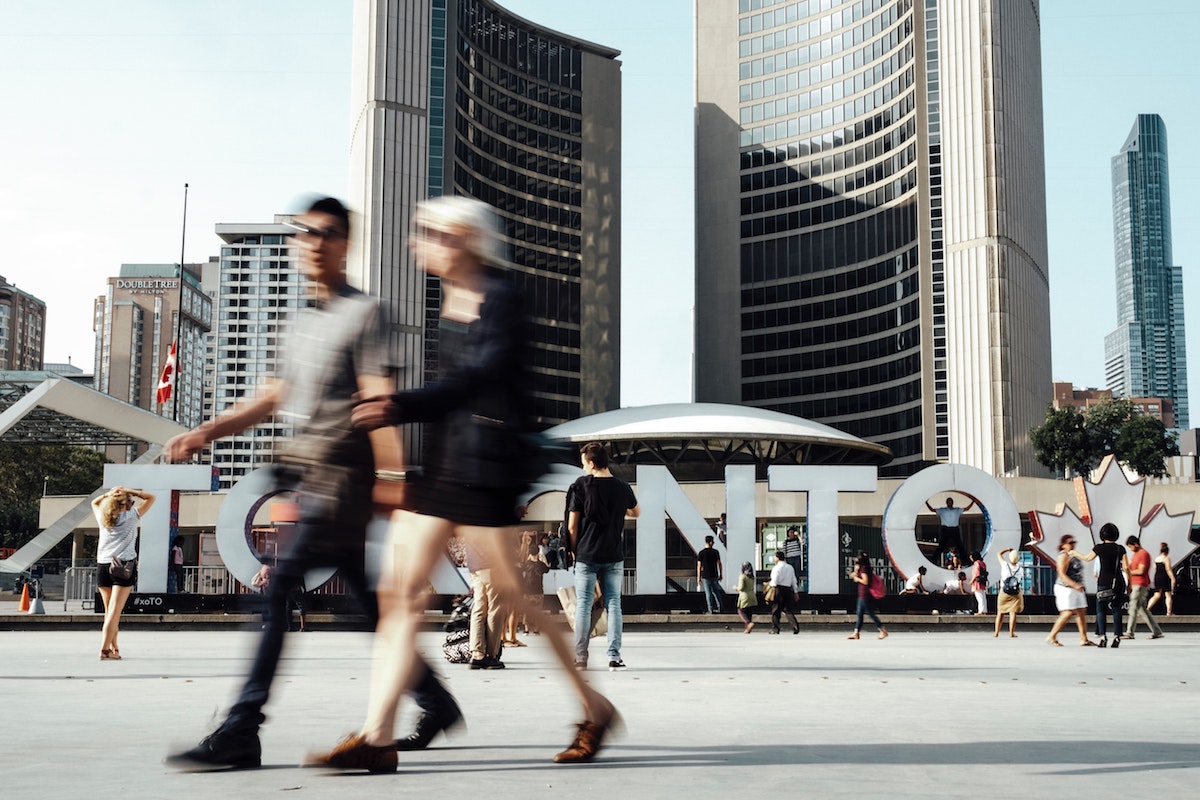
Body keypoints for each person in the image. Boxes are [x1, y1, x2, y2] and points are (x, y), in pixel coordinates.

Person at [306, 196, 618, 772]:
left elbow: (479, 380)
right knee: (401, 595)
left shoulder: (502, 297)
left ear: (464, 240)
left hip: (486, 475)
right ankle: (377, 738)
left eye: (430, 232)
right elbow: (457, 392)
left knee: (519, 599)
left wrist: (396, 404)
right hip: (446, 468)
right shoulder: (451, 300)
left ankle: (594, 708)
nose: (417, 241)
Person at [165, 196, 459, 771]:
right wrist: (208, 430)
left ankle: (242, 728)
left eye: (326, 233)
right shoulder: (298, 321)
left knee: (277, 591)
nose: (313, 242)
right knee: (364, 609)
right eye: (305, 233)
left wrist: (394, 478)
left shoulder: (364, 313)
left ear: (346, 244)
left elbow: (378, 397)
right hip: (309, 477)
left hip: (344, 480)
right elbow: (274, 396)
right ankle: (436, 700)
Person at [568, 441, 639, 671]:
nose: (583, 469)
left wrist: (573, 551)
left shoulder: (580, 486)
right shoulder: (622, 487)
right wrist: (620, 508)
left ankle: (580, 658)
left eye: (583, 464)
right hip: (613, 554)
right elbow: (636, 512)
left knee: (584, 606)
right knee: (614, 604)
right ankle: (614, 656)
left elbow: (572, 527)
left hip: (586, 555)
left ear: (592, 463)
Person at [92, 485, 155, 660]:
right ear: (125, 504)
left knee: (109, 612)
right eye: (130, 501)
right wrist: (131, 491)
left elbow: (94, 502)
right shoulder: (131, 516)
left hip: (103, 565)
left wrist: (109, 494)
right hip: (123, 565)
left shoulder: (102, 517)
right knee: (114, 612)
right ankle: (104, 650)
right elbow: (151, 498)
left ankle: (114, 649)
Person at [1074, 524, 1126, 647]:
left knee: (1101, 610)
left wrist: (1075, 553)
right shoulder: (1120, 549)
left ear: (1102, 534)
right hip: (1118, 581)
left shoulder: (1099, 548)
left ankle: (1103, 637)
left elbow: (1087, 558)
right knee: (1117, 609)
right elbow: (1126, 567)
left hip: (1103, 582)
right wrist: (1129, 585)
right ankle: (1117, 636)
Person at [1046, 534, 1095, 647]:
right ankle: (1052, 636)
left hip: (1076, 588)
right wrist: (1074, 585)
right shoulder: (1063, 556)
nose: (1073, 545)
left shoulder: (1073, 554)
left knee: (1081, 611)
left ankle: (1084, 639)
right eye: (1070, 543)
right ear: (1063, 545)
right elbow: (1062, 574)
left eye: (1074, 542)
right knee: (1067, 612)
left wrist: (1079, 585)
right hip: (1065, 588)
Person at [463, 541, 505, 670]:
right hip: (491, 564)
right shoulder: (492, 520)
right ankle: (492, 655)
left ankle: (477, 654)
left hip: (475, 565)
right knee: (495, 609)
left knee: (479, 608)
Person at [1123, 536, 1164, 640]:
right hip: (1135, 584)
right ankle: (1157, 631)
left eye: (1130, 547)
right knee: (1142, 609)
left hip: (1140, 584)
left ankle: (1129, 632)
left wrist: (1129, 572)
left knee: (1133, 608)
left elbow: (1141, 571)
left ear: (1135, 544)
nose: (1130, 549)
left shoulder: (1143, 554)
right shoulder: (1135, 555)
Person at [848, 551, 888, 640]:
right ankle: (856, 632)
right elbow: (856, 575)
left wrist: (857, 578)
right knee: (860, 614)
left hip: (865, 594)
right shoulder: (863, 568)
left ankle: (882, 630)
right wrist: (855, 571)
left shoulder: (864, 569)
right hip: (862, 594)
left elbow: (865, 581)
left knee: (870, 613)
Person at [926, 496, 974, 566]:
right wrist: (926, 502)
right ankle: (934, 559)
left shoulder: (957, 510)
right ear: (946, 503)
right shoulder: (942, 510)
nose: (950, 503)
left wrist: (973, 501)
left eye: (951, 501)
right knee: (941, 546)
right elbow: (932, 510)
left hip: (955, 529)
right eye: (948, 502)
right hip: (945, 529)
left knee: (960, 546)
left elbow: (967, 508)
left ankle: (965, 561)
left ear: (953, 503)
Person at [767, 550, 800, 634]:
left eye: (775, 557)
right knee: (788, 610)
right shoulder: (790, 567)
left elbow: (774, 581)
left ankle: (775, 628)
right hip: (788, 590)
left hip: (778, 589)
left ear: (777, 558)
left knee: (775, 610)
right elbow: (794, 580)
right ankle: (795, 627)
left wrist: (770, 586)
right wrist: (795, 592)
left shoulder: (776, 568)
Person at [993, 547, 1023, 637]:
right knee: (1013, 613)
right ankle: (1011, 633)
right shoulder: (1020, 569)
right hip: (1015, 593)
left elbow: (998, 553)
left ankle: (996, 632)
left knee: (1000, 612)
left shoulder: (1005, 565)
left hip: (1004, 591)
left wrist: (1007, 549)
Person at [1147, 542, 1176, 616]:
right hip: (1164, 577)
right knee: (1168, 594)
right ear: (1167, 551)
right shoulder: (1166, 558)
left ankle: (1147, 609)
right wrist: (1172, 578)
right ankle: (1169, 612)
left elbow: (1155, 568)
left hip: (1157, 577)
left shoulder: (1157, 559)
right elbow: (1168, 569)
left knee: (1157, 594)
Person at [697, 535, 724, 613]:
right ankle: (720, 608)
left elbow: (699, 566)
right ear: (710, 542)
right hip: (714, 575)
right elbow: (719, 564)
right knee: (716, 592)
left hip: (705, 576)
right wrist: (721, 574)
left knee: (708, 593)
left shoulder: (701, 553)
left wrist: (698, 577)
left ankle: (710, 609)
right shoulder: (715, 552)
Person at [734, 561, 757, 633]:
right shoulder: (753, 577)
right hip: (752, 596)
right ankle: (747, 629)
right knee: (749, 612)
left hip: (745, 596)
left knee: (741, 611)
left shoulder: (742, 576)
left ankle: (748, 623)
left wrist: (736, 588)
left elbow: (741, 588)